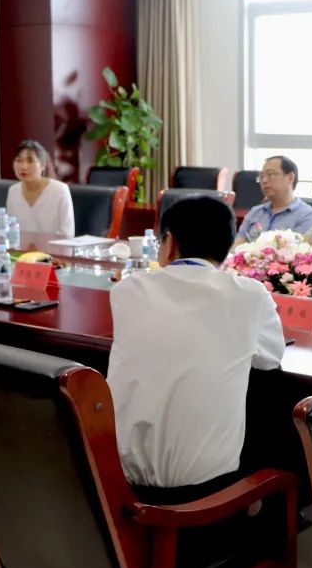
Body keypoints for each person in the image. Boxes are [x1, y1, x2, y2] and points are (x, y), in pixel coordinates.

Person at [106, 195, 284, 496]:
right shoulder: (250, 295)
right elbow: (270, 360)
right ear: (227, 246)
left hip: (119, 484)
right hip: (204, 492)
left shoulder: (127, 290)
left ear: (170, 242)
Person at [234, 155, 312, 245]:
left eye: (270, 174)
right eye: (261, 176)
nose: (264, 180)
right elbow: (237, 246)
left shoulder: (307, 216)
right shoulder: (255, 212)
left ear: (290, 178)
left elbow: (301, 251)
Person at [5, 139, 75, 238]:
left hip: (53, 247)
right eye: (19, 160)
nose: (23, 167)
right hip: (20, 247)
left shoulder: (60, 190)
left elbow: (67, 233)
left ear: (43, 165)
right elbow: (9, 230)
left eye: (30, 161)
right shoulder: (13, 191)